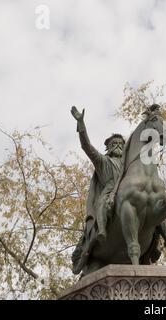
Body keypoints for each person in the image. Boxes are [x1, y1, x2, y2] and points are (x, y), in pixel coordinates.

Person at [70, 106, 126, 274]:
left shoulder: (128, 164)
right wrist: (81, 124)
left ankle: (161, 235)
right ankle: (100, 231)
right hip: (109, 192)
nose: (117, 146)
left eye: (120, 144)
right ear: (108, 148)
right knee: (102, 203)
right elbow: (86, 146)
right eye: (113, 144)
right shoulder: (103, 162)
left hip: (128, 191)